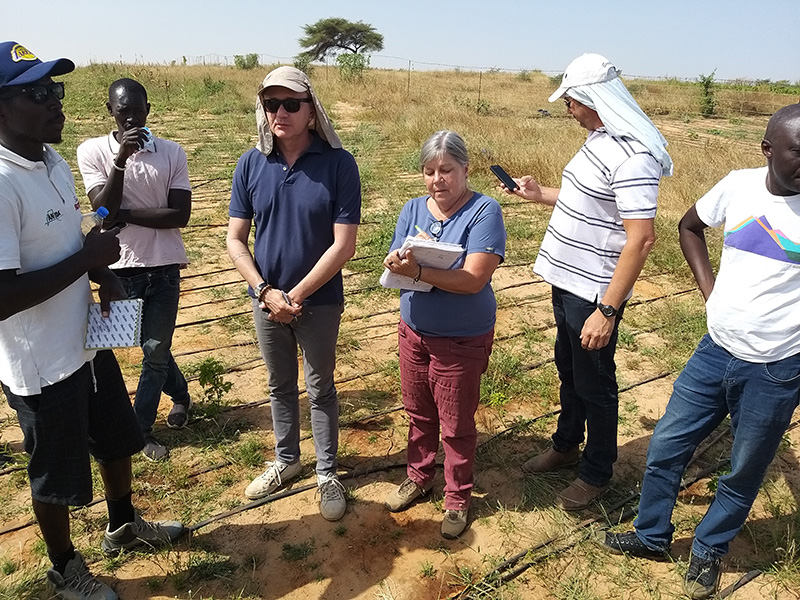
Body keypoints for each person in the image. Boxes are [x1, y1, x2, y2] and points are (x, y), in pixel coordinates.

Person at [0, 42, 184, 600]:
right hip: (42, 362)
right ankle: (63, 566)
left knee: (116, 438)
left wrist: (100, 275)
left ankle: (123, 525)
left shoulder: (49, 162)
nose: (56, 102)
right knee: (55, 473)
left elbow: (68, 241)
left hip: (84, 340)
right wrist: (87, 261)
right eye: (38, 93)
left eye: (56, 90)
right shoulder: (2, 183)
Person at [598, 104, 800, 600]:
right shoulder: (739, 185)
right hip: (715, 351)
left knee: (744, 467)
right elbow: (690, 226)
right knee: (666, 446)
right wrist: (711, 292)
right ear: (769, 151)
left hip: (777, 367)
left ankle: (708, 549)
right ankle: (651, 537)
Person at [504, 53, 673, 510]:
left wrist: (608, 310)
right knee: (568, 369)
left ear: (591, 99)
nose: (568, 110)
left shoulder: (635, 156)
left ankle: (597, 471)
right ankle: (565, 444)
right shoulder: (600, 139)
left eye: (571, 102)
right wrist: (541, 196)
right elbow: (589, 199)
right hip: (566, 280)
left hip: (594, 291)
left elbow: (641, 239)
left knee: (595, 383)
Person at [227, 66, 360, 522]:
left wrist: (295, 295)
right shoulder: (250, 163)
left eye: (290, 104)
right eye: (270, 105)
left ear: (311, 110)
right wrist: (265, 291)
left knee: (320, 387)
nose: (279, 113)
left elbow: (344, 244)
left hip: (317, 302)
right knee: (279, 385)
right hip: (266, 299)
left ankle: (326, 472)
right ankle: (287, 461)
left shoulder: (338, 164)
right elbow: (235, 240)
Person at [382, 130, 506, 539]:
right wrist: (396, 261)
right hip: (414, 332)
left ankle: (457, 497)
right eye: (430, 171)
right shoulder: (413, 209)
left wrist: (418, 271)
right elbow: (398, 258)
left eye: (447, 170)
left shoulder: (484, 212)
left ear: (465, 170)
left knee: (455, 423)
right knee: (418, 412)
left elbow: (473, 280)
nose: (439, 179)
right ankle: (419, 476)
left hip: (460, 339)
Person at [77, 78, 193, 461]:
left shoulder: (172, 152)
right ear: (110, 110)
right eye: (123, 110)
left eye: (137, 110)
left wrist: (119, 215)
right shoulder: (92, 151)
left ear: (148, 110)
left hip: (163, 267)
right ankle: (180, 394)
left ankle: (140, 430)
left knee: (155, 351)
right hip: (120, 269)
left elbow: (179, 215)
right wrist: (121, 161)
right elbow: (103, 207)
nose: (131, 118)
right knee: (151, 346)